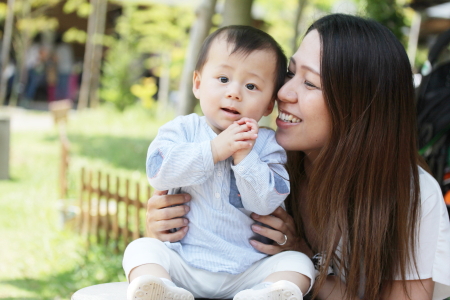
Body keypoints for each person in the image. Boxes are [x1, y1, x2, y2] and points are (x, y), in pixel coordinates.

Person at [143, 14, 450, 300]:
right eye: (290, 73)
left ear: (357, 108)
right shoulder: (268, 157)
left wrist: (303, 257)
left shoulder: (413, 195)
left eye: (310, 83)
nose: (282, 93)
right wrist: (163, 229)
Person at [123, 26, 315, 300]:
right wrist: (214, 150)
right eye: (223, 78)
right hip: (185, 262)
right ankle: (159, 289)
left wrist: (245, 157)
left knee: (300, 265)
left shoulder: (267, 145)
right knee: (140, 250)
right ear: (198, 84)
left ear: (269, 105)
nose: (235, 93)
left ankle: (264, 295)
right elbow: (158, 172)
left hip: (249, 269)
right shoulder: (182, 130)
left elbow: (266, 203)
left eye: (251, 86)